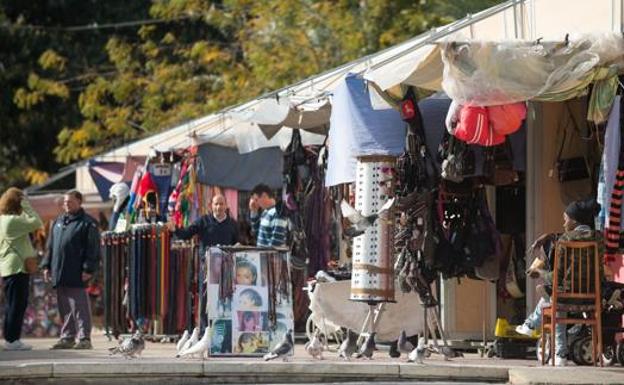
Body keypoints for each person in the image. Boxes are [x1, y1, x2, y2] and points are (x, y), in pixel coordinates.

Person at [515, 199, 604, 366]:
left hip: (566, 298)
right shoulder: (599, 239)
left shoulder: (565, 240)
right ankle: (533, 327)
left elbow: (557, 277)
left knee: (553, 296)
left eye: (565, 219)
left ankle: (557, 351)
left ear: (574, 220)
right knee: (554, 295)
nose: (563, 223)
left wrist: (539, 272)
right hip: (592, 298)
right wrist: (549, 235)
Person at [168, 194, 238, 331]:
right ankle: (204, 333)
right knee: (206, 301)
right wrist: (175, 229)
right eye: (216, 204)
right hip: (206, 269)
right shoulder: (203, 221)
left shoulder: (232, 224)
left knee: (225, 300)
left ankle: (225, 332)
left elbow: (237, 244)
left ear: (226, 206)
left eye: (221, 204)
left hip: (226, 269)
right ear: (211, 206)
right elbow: (186, 234)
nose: (218, 207)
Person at [41, 190, 100, 350]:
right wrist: (46, 265)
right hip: (59, 271)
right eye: (65, 202)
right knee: (64, 307)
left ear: (80, 203)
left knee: (80, 306)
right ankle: (67, 337)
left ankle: (84, 338)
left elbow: (93, 249)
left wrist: (88, 268)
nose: (66, 204)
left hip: (77, 272)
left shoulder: (88, 223)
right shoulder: (58, 221)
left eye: (70, 202)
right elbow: (50, 247)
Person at [0, 188, 43, 350]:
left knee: (12, 304)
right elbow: (36, 221)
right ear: (17, 203)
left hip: (9, 267)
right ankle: (12, 340)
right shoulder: (11, 221)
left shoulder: (3, 220)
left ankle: (11, 339)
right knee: (17, 304)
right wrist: (26, 204)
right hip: (17, 267)